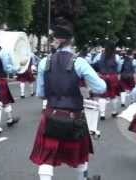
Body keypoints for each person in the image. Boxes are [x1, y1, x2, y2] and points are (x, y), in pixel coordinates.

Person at [29, 18, 106, 180]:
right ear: (72, 41)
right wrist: (87, 87)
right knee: (79, 155)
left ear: (57, 40)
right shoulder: (80, 63)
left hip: (51, 114)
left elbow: (40, 94)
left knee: (46, 157)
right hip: (74, 117)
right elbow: (101, 88)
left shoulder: (44, 62)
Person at [92, 41, 123, 120]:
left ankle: (102, 114)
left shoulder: (99, 55)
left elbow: (93, 64)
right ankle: (114, 112)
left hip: (102, 76)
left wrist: (99, 71)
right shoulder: (116, 56)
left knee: (102, 96)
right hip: (113, 77)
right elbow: (119, 68)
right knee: (113, 95)